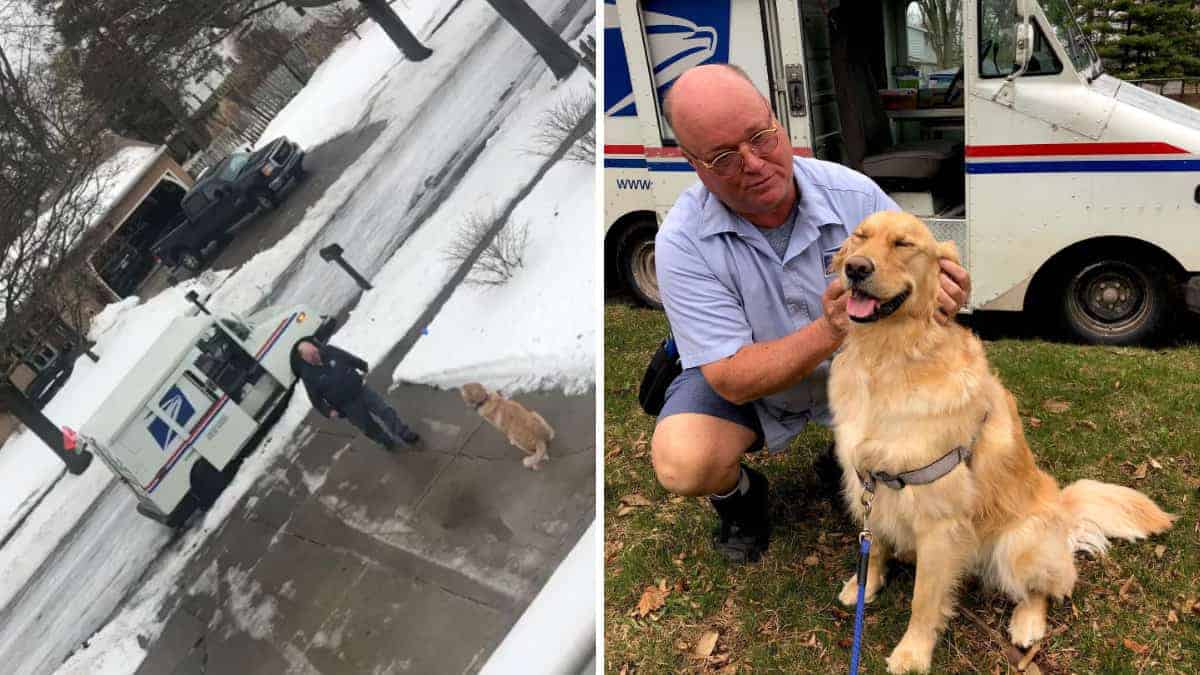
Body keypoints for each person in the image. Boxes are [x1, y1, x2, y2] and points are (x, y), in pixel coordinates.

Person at [651, 64, 971, 563]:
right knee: (683, 460)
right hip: (753, 382)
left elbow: (923, 262)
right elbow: (731, 378)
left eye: (760, 137)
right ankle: (740, 499)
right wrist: (829, 329)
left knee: (944, 386)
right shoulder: (680, 241)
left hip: (858, 371)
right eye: (723, 158)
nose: (753, 163)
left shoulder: (855, 195)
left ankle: (844, 452)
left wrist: (947, 286)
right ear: (694, 165)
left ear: (778, 122)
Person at [289, 338, 420, 450]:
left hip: (361, 390)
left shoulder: (329, 351)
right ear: (304, 358)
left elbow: (347, 357)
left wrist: (362, 365)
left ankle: (404, 433)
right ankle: (386, 442)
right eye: (311, 356)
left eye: (315, 352)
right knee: (369, 427)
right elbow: (315, 400)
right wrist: (328, 411)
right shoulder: (308, 376)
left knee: (385, 410)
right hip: (348, 406)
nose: (315, 356)